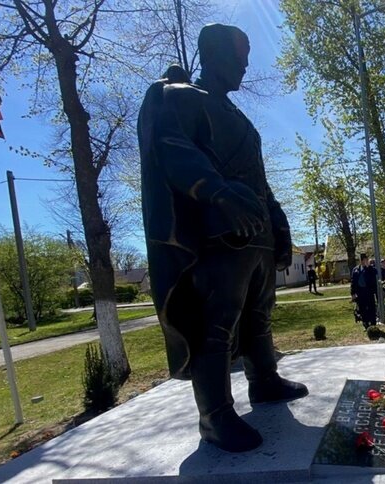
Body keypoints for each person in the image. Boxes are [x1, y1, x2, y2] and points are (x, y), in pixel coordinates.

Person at [137, 24, 307, 452]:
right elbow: (173, 150)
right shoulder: (180, 98)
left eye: (247, 58)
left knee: (259, 314)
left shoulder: (240, 119)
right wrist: (216, 191)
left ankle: (264, 380)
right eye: (239, 58)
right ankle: (214, 417)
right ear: (212, 56)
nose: (245, 66)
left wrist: (279, 221)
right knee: (218, 323)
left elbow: (260, 181)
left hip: (258, 237)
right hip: (219, 236)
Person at [351, 254, 378, 329]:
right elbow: (353, 282)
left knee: (371, 308)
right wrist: (353, 293)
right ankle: (365, 324)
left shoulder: (370, 268)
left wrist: (368, 266)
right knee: (362, 309)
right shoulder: (356, 269)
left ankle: (373, 324)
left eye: (365, 259)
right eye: (362, 259)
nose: (363, 261)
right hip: (360, 292)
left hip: (369, 291)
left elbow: (375, 273)